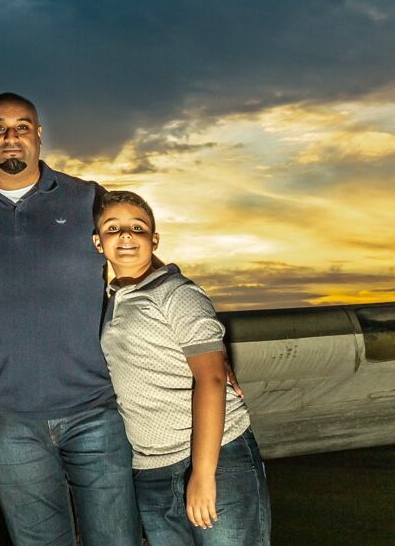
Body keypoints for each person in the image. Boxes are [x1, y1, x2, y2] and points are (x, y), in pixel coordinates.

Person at [0, 93, 141, 546]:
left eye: (21, 126)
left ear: (38, 135)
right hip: (10, 419)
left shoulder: (88, 198)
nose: (10, 137)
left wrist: (202, 349)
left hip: (96, 409)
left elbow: (140, 269)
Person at [94, 188, 270, 546]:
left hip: (214, 458)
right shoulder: (110, 301)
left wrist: (203, 475)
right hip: (151, 470)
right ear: (98, 243)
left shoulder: (178, 293)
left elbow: (212, 377)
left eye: (137, 227)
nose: (126, 235)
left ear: (154, 239)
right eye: (113, 228)